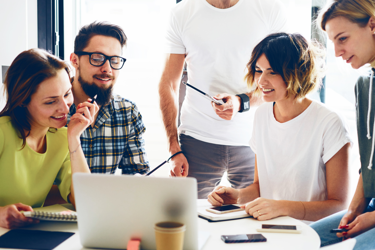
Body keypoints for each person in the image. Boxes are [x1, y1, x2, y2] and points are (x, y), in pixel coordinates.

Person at [208, 32, 352, 223]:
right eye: (258, 70)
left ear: (298, 72)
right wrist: (237, 196)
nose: (261, 81)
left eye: (272, 72)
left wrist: (283, 207)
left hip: (312, 233)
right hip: (269, 227)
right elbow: (260, 187)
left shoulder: (329, 122)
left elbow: (340, 206)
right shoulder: (261, 115)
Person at [159, 0, 288, 198]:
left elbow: (280, 81)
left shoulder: (269, 9)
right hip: (196, 140)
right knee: (188, 220)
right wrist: (173, 148)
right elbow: (168, 84)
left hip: (255, 140)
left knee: (257, 220)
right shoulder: (182, 12)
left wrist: (240, 101)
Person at [0, 48, 98, 229]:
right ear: (23, 100)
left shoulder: (61, 139)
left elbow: (86, 203)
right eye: (51, 101)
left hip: (27, 236)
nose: (65, 108)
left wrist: (74, 138)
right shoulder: (2, 132)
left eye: (67, 94)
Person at [310, 1, 375, 249]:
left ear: (372, 24)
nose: (337, 52)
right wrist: (356, 208)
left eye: (343, 38)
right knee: (302, 239)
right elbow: (369, 162)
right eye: (333, 43)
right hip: (371, 205)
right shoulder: (364, 86)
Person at [68, 22, 149, 174]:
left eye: (115, 60)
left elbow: (138, 174)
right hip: (62, 199)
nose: (107, 69)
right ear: (74, 60)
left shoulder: (127, 112)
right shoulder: (53, 109)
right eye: (97, 58)